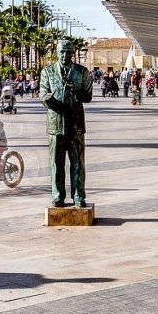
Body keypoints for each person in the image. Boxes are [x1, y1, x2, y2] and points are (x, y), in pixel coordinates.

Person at [41, 40, 94, 208]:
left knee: (78, 162)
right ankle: (58, 196)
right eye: (62, 52)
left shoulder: (81, 72)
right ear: (57, 52)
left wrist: (76, 91)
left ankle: (79, 195)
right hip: (55, 124)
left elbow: (88, 96)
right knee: (56, 163)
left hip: (76, 124)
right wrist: (48, 100)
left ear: (72, 53)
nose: (65, 55)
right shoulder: (47, 72)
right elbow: (43, 94)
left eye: (68, 52)